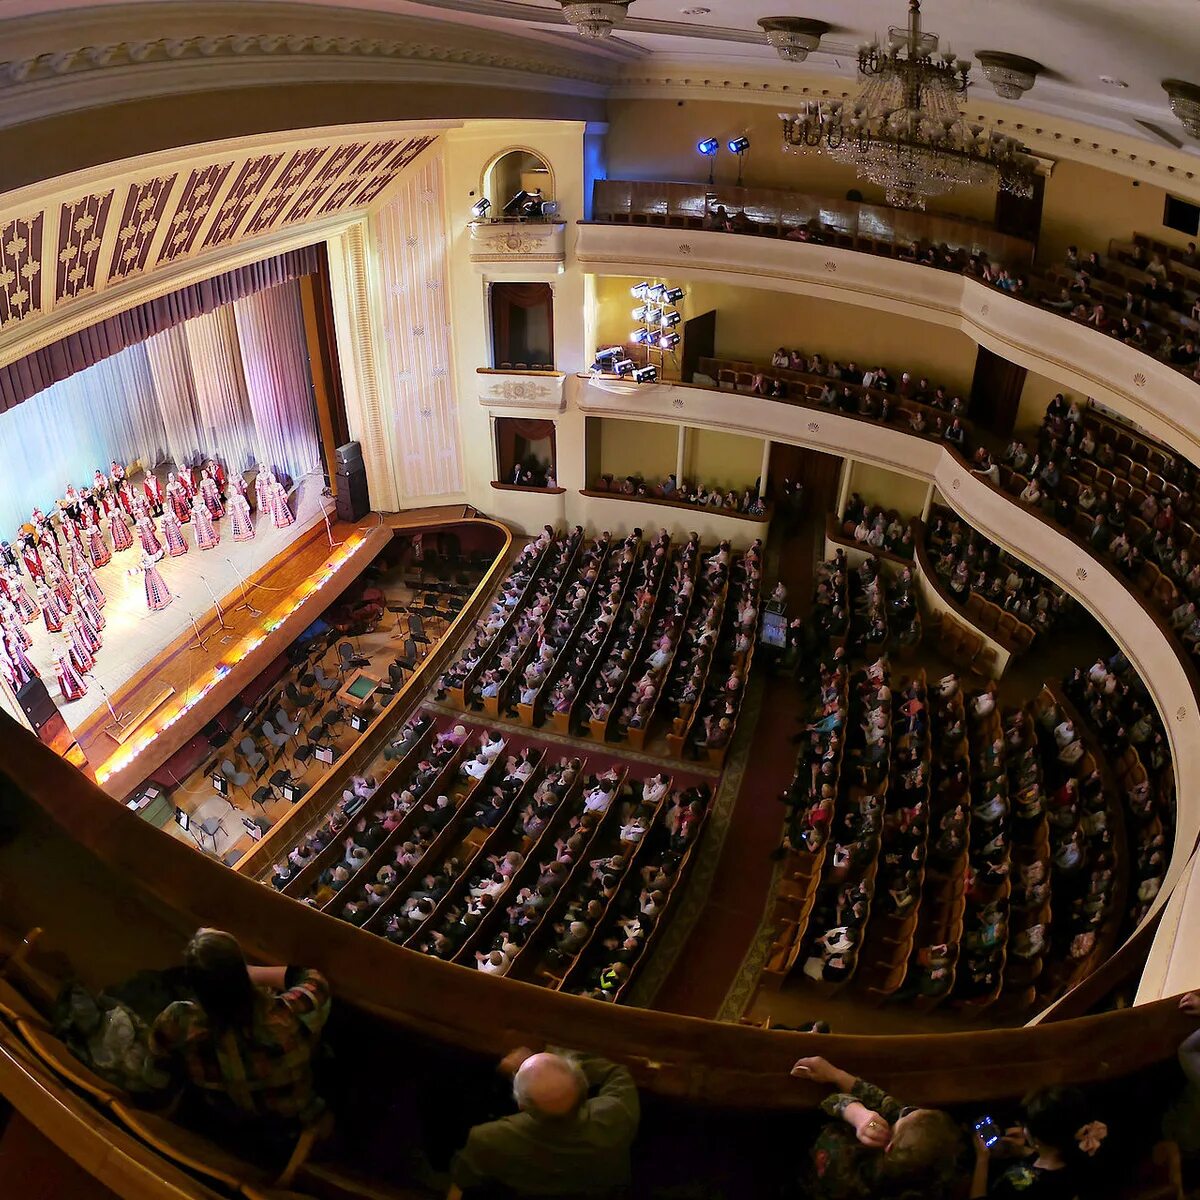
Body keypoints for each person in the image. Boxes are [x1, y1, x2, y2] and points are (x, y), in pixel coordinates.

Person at [150, 929, 332, 1150]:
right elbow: (316, 982)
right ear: (241, 971)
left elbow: (157, 1068)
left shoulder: (178, 1019)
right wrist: (250, 973)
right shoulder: (281, 1016)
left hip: (223, 1121)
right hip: (287, 1132)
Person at [447, 1045, 640, 1199]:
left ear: (521, 1104)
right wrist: (555, 1053)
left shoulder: (488, 1138)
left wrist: (529, 1066)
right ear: (583, 1086)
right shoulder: (614, 1116)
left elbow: (464, 1179)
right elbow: (617, 1073)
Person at [790, 1055, 966, 1200]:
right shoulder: (921, 1165)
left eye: (905, 1115)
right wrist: (836, 1074)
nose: (903, 1110)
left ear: (888, 1144)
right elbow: (885, 1103)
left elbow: (827, 1099)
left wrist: (858, 1114)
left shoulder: (843, 1160)